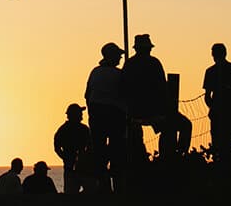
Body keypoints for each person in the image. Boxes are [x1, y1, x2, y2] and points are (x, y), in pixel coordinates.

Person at [84, 43, 128, 192]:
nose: (120, 57)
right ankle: (117, 185)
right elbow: (125, 94)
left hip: (97, 115)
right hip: (115, 115)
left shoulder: (95, 72)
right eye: (118, 55)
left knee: (99, 151)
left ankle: (103, 185)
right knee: (117, 150)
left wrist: (92, 113)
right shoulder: (119, 74)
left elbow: (87, 95)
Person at [123, 33, 170, 158]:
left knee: (135, 135)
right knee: (175, 127)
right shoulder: (154, 63)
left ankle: (140, 158)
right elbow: (163, 87)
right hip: (153, 111)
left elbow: (123, 87)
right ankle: (167, 157)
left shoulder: (129, 64)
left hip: (134, 111)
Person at [203, 43, 231, 164]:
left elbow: (207, 97)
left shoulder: (210, 72)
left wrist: (215, 107)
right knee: (230, 145)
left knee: (218, 146)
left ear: (213, 55)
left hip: (221, 114)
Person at [53, 103, 93, 193]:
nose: (81, 116)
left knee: (86, 191)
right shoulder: (81, 129)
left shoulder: (82, 129)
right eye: (79, 113)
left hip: (83, 166)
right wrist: (66, 158)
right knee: (73, 192)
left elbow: (57, 148)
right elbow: (57, 148)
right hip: (74, 167)